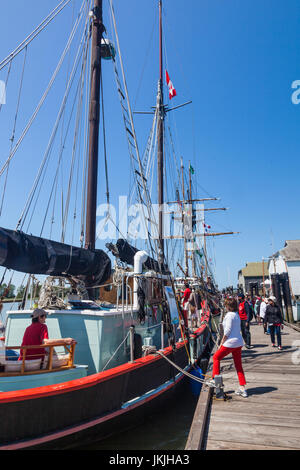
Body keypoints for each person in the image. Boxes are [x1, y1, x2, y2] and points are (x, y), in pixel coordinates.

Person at [211, 297, 247, 397]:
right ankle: (242, 388)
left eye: (226, 305)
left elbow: (227, 331)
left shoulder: (229, 315)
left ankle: (215, 379)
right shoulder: (236, 315)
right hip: (238, 343)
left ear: (228, 306)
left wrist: (222, 342)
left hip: (230, 343)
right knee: (238, 365)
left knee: (216, 357)